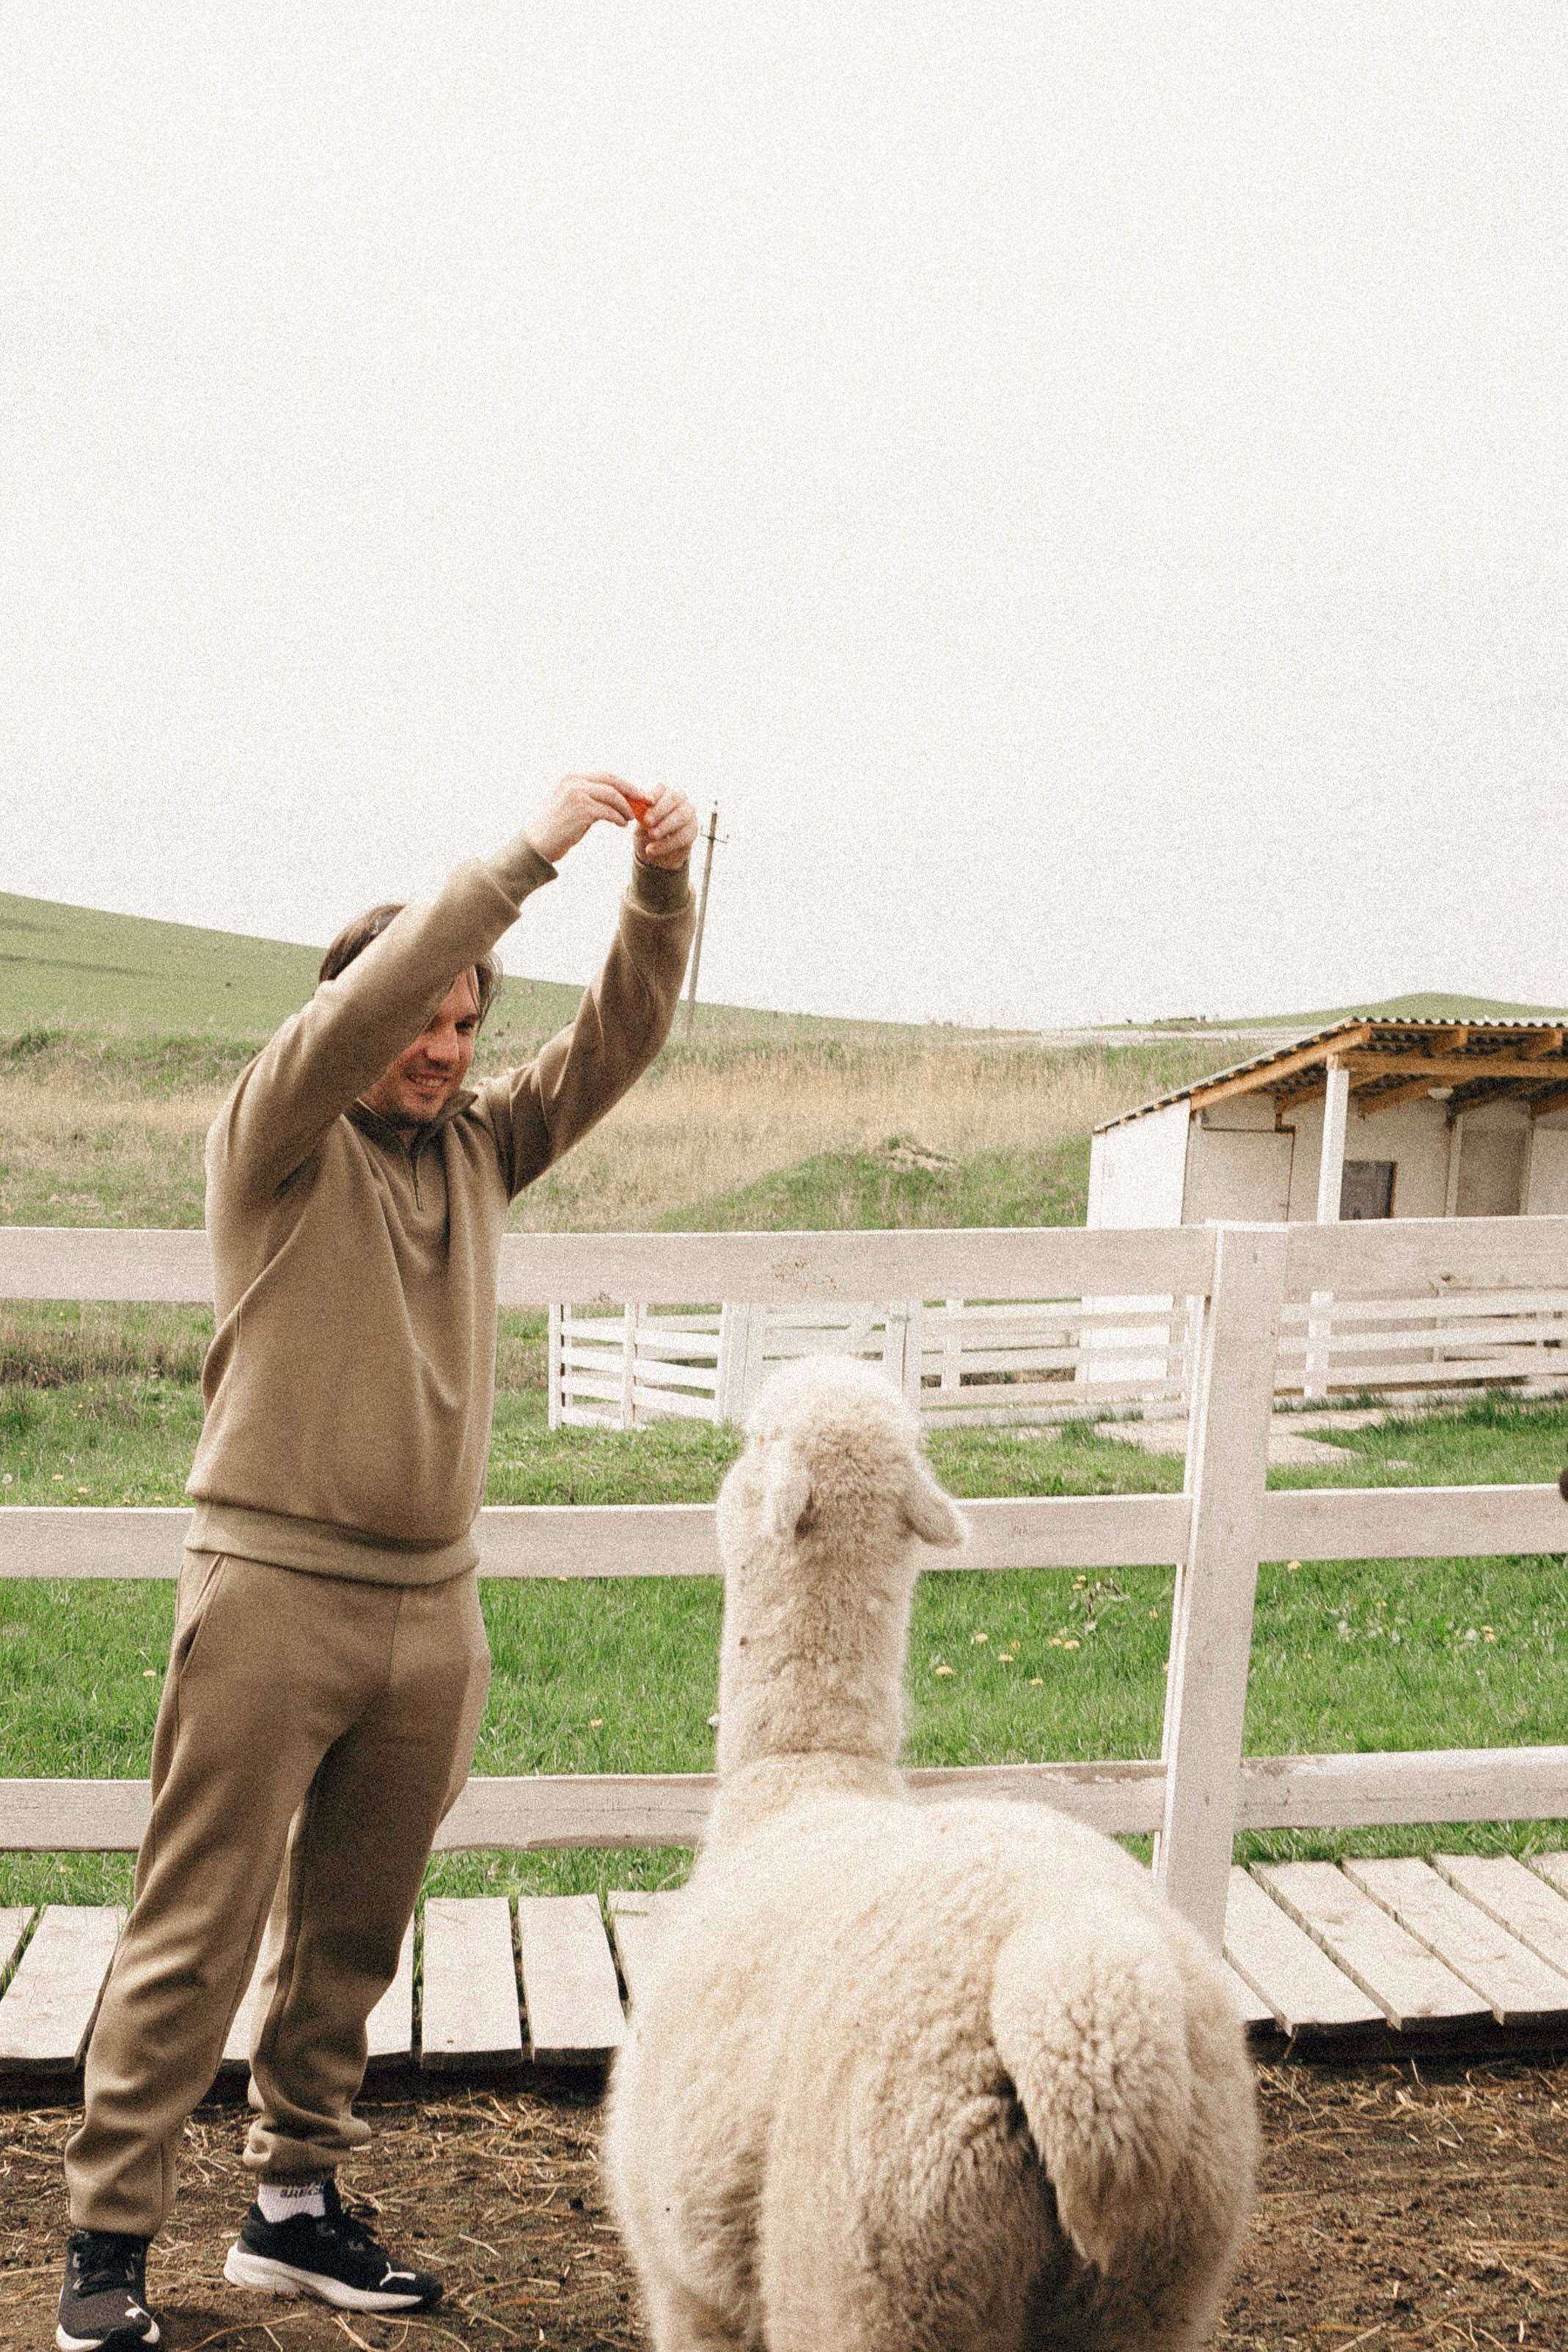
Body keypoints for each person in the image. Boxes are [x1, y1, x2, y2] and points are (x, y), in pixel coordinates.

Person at [55, 775, 698, 2352]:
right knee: (193, 1924)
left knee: (355, 1929)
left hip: (434, 1603)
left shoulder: (482, 1149)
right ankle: (106, 2249)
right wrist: (529, 855)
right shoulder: (274, 1133)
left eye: (467, 1023)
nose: (444, 1046)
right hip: (269, 1589)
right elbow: (365, 1016)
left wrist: (660, 887)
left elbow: (619, 1038)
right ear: (359, 1008)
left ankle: (291, 2211)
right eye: (420, 1013)